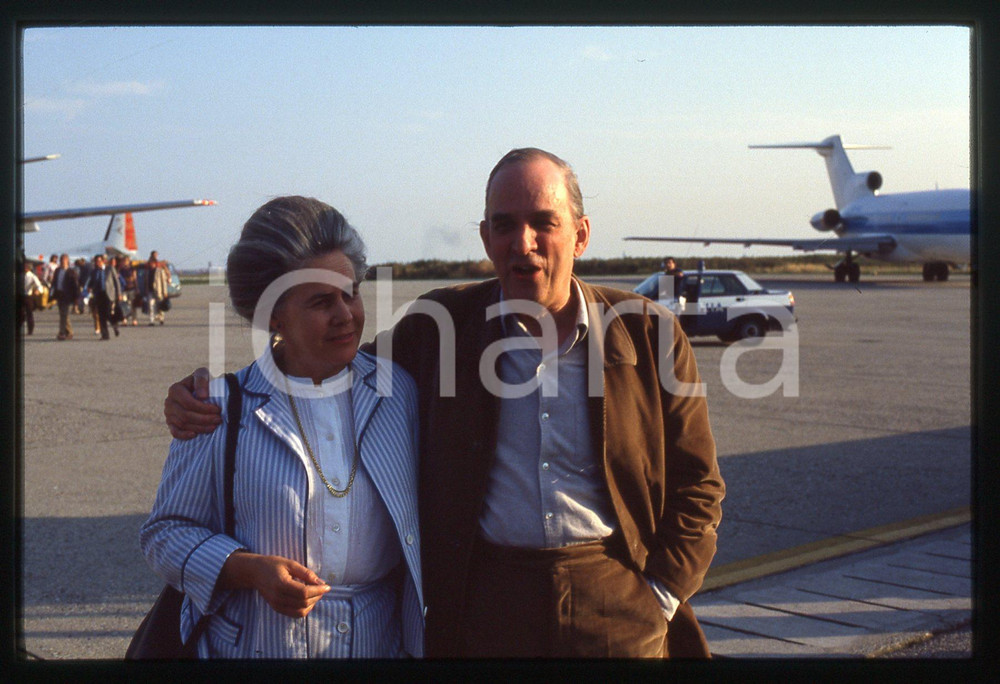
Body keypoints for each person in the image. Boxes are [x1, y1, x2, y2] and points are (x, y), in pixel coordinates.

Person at [164, 149, 724, 658]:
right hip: (484, 610)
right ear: (485, 238)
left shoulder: (647, 333)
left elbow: (699, 484)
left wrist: (662, 595)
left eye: (543, 223)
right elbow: (329, 359)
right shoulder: (439, 326)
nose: (522, 242)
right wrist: (200, 396)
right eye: (504, 226)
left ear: (579, 235)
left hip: (617, 605)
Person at [141, 196, 423, 658]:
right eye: (320, 301)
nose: (345, 314)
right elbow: (165, 532)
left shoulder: (400, 395)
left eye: (350, 292)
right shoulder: (218, 407)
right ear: (272, 314)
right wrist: (245, 569)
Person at [86, 254, 122, 340]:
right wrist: (89, 287)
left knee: (108, 312)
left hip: (109, 294)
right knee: (101, 315)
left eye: (99, 261)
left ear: (103, 261)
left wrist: (119, 294)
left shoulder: (110, 269)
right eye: (96, 261)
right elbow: (91, 281)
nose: (97, 263)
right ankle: (105, 335)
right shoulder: (94, 271)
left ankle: (114, 325)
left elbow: (116, 282)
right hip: (98, 294)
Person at [51, 253, 81, 340]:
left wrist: (76, 298)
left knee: (63, 314)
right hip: (59, 294)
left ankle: (62, 333)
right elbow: (54, 282)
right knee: (63, 314)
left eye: (64, 260)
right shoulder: (57, 270)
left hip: (67, 295)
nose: (63, 262)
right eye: (61, 260)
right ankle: (70, 332)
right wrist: (52, 292)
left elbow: (76, 285)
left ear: (67, 261)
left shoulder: (71, 272)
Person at [19, 260, 44, 335]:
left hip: (28, 296)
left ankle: (30, 330)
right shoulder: (20, 275)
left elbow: (39, 286)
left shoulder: (32, 276)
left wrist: (38, 291)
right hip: (20, 296)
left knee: (29, 314)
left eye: (26, 267)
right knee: (20, 313)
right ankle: (19, 328)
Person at [145, 251, 170, 325]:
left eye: (152, 263)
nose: (151, 265)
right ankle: (151, 320)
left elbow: (163, 282)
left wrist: (165, 292)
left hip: (159, 291)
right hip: (150, 291)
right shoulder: (147, 271)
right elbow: (145, 281)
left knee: (160, 305)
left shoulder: (160, 271)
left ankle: (161, 318)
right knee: (151, 305)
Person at [117, 256, 139, 326]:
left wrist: (137, 288)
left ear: (129, 261)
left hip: (131, 288)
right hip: (123, 289)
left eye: (126, 261)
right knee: (123, 304)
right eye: (124, 261)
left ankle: (134, 319)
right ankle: (124, 319)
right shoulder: (120, 269)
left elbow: (135, 279)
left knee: (132, 304)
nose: (125, 262)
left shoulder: (132, 269)